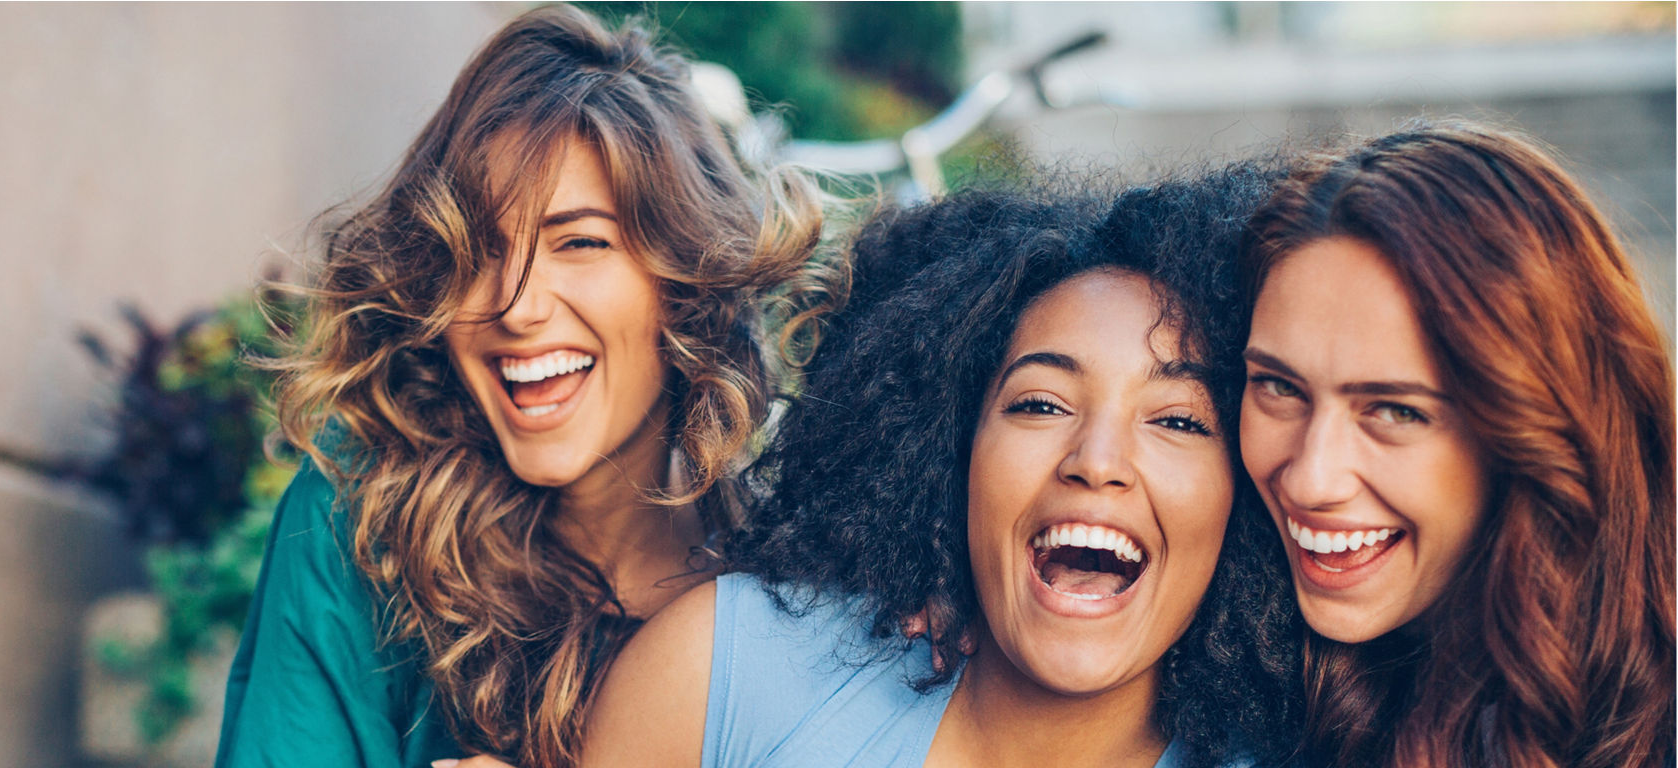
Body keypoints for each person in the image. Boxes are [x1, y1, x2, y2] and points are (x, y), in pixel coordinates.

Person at [214, 6, 839, 768]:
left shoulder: (793, 592)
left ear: (684, 283)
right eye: (475, 250)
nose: (516, 308)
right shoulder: (361, 520)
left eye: (580, 243)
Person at [582, 169, 1303, 768]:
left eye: (1178, 420)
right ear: (951, 451)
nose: (1098, 462)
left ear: (1242, 497)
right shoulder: (722, 675)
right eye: (1042, 404)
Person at [1238, 123, 1675, 767]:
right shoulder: (1243, 678)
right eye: (1278, 386)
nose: (1311, 479)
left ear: (1533, 427)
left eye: (1394, 410)